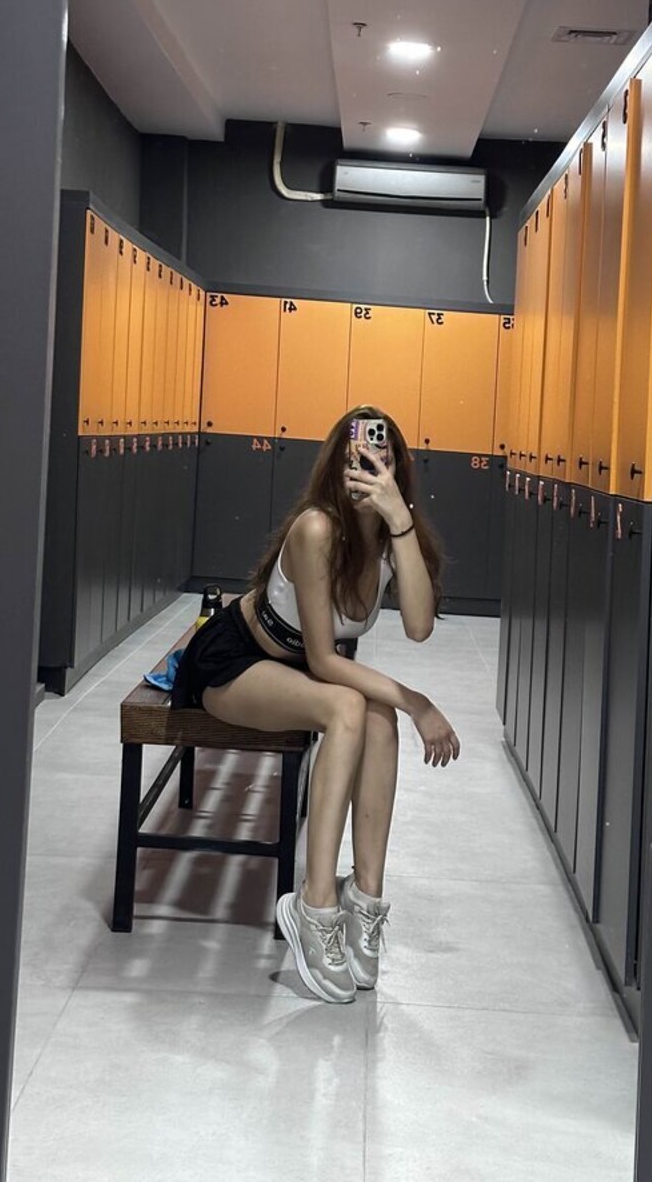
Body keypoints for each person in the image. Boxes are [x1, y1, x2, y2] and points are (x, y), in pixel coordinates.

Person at [172, 405, 461, 1003]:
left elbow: (418, 627)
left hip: (300, 669)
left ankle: (365, 902)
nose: (368, 468)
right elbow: (326, 663)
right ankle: (315, 903)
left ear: (398, 470)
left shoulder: (392, 538)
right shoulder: (316, 529)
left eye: (382, 459)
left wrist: (399, 521)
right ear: (336, 465)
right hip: (237, 661)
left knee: (378, 719)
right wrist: (419, 701)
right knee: (350, 707)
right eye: (357, 458)